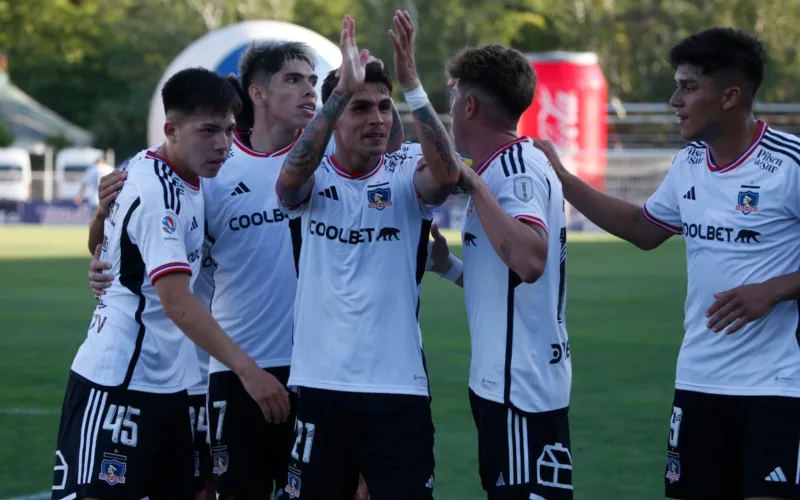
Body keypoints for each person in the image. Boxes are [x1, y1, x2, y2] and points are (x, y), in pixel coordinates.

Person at [535, 27, 800, 500]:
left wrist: (774, 289)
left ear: (730, 97)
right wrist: (562, 179)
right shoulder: (689, 164)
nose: (675, 100)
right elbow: (643, 229)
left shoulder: (789, 165)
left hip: (777, 386)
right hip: (698, 380)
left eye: (689, 86)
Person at [50, 67, 289, 500]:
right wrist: (248, 371)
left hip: (172, 386)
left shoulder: (183, 173)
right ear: (171, 129)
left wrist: (103, 225)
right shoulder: (159, 192)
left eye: (228, 130)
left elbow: (102, 245)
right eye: (208, 131)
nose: (221, 143)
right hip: (118, 383)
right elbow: (176, 302)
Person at [274, 12, 460, 499]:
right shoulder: (314, 174)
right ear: (336, 118)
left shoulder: (403, 169)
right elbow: (288, 186)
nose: (376, 118)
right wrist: (338, 94)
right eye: (361, 109)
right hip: (320, 385)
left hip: (398, 391)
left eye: (383, 107)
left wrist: (413, 85)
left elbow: (446, 179)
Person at [429, 44, 572, 499]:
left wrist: (471, 184)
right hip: (506, 381)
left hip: (519, 387)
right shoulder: (505, 166)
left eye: (453, 96)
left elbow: (529, 261)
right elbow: (503, 282)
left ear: (469, 105)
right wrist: (447, 266)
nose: (450, 108)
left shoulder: (512, 169)